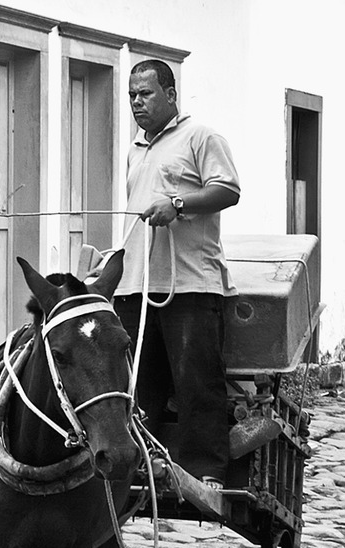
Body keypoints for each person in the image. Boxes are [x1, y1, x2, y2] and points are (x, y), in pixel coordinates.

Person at [113, 59, 240, 488]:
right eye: (132, 95)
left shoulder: (201, 137)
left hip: (189, 284)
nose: (136, 102)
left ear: (170, 94)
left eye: (145, 94)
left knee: (197, 385)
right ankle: (140, 465)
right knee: (135, 384)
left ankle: (205, 473)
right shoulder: (135, 149)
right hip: (138, 285)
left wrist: (178, 205)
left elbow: (229, 189)